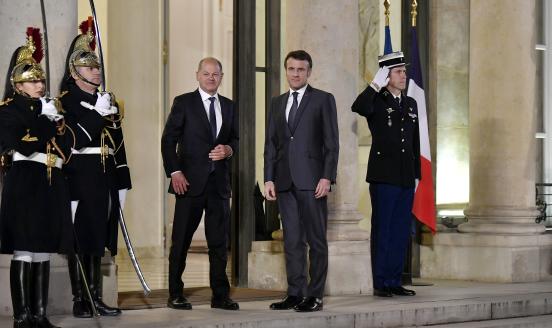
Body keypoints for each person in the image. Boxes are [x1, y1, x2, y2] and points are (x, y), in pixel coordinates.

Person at [0, 27, 73, 328]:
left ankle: (39, 315)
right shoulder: (8, 111)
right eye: (33, 81)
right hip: (24, 181)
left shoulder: (50, 109)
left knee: (43, 248)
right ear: (17, 85)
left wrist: (57, 122)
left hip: (49, 181)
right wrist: (45, 120)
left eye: (41, 80)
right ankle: (21, 316)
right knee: (25, 249)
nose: (40, 84)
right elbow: (24, 145)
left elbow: (66, 148)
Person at [59, 18, 131, 317]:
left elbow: (117, 143)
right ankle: (80, 299)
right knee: (81, 238)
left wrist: (123, 179)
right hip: (79, 174)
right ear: (75, 72)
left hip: (104, 175)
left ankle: (96, 297)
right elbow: (71, 141)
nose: (97, 71)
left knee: (99, 239)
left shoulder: (105, 100)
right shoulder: (65, 102)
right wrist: (95, 115)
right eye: (90, 67)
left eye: (97, 66)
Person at [161, 57, 239, 311]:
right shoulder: (183, 103)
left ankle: (220, 296)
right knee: (181, 241)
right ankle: (175, 294)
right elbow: (168, 141)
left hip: (218, 185)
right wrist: (175, 172)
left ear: (221, 77)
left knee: (218, 243)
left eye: (216, 74)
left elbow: (236, 140)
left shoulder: (229, 106)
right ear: (197, 75)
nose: (211, 78)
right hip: (189, 183)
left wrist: (228, 149)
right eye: (206, 73)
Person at [264, 50, 339, 312]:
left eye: (301, 69)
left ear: (309, 72)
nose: (295, 73)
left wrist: (327, 176)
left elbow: (332, 143)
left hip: (312, 182)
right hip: (284, 182)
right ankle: (295, 293)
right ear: (286, 70)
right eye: (291, 69)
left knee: (316, 240)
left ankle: (315, 295)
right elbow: (271, 145)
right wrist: (268, 179)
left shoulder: (323, 100)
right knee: (292, 240)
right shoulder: (276, 102)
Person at [351, 51, 420, 298]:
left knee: (401, 229)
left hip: (405, 176)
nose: (404, 75)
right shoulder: (376, 101)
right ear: (386, 75)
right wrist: (374, 84)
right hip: (383, 176)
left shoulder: (410, 103)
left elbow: (415, 142)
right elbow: (357, 106)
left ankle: (394, 279)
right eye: (398, 72)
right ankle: (380, 281)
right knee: (384, 229)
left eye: (404, 71)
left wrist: (417, 175)